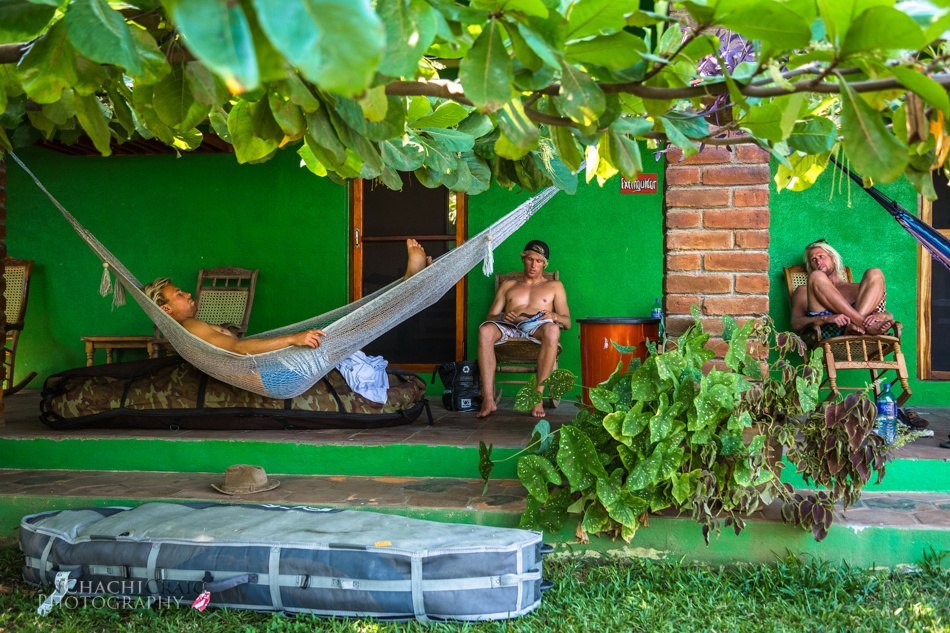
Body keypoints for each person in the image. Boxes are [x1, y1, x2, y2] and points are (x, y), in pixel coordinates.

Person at [143, 239, 431, 355]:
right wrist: (293, 339)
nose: (187, 293)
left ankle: (408, 283)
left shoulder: (189, 329)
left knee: (352, 327)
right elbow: (238, 348)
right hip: (270, 373)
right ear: (166, 309)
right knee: (355, 328)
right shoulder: (190, 327)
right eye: (178, 294)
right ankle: (409, 284)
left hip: (267, 365)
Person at [477, 240, 571, 419]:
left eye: (538, 261)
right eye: (530, 259)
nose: (533, 265)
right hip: (509, 326)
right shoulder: (508, 285)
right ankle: (488, 399)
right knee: (485, 331)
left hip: (537, 327)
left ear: (544, 264)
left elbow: (567, 322)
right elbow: (489, 317)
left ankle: (537, 397)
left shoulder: (555, 286)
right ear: (523, 259)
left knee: (553, 330)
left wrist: (553, 315)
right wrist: (501, 317)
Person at [790, 239, 893, 339]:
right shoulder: (804, 291)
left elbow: (882, 310)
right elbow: (796, 324)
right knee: (816, 276)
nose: (818, 262)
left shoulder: (857, 287)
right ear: (810, 266)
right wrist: (824, 318)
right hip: (832, 333)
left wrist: (885, 316)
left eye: (821, 256)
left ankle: (854, 326)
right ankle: (860, 323)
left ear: (833, 258)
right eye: (813, 259)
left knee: (875, 273)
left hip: (860, 332)